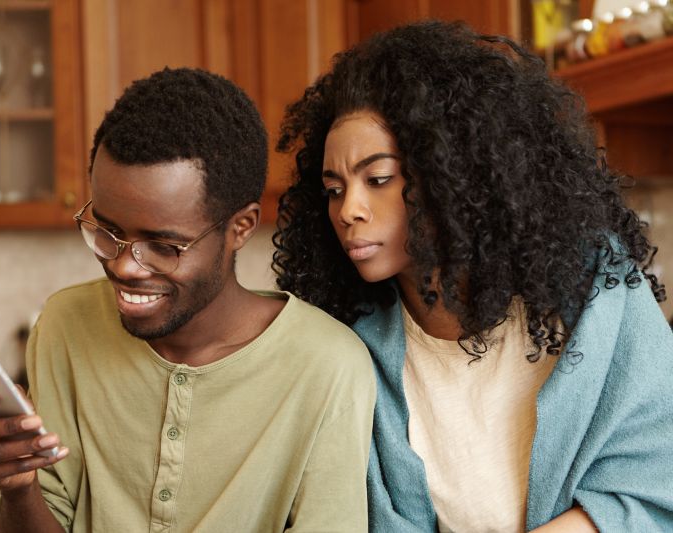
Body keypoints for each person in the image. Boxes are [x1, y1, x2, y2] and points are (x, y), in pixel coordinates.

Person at [273, 20, 673, 533]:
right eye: (333, 188)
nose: (349, 209)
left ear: (452, 172)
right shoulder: (351, 343)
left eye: (377, 179)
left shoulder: (594, 289)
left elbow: (657, 480)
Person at [0, 67, 376, 532]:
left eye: (164, 246)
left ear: (241, 229)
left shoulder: (328, 366)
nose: (124, 266)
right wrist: (19, 488)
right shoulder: (65, 325)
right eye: (107, 231)